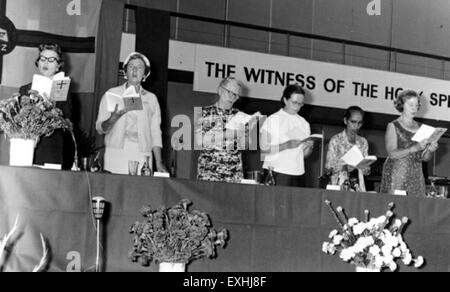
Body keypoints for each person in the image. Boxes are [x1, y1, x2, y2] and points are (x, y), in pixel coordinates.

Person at [96, 52, 167, 175]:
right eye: (131, 66)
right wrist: (113, 118)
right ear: (125, 71)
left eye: (139, 68)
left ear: (145, 74)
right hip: (116, 154)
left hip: (143, 155)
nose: (135, 70)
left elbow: (156, 133)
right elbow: (100, 129)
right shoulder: (111, 94)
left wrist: (159, 163)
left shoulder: (151, 99)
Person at [19, 43, 74, 170]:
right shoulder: (25, 89)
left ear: (58, 65)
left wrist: (48, 106)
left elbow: (66, 118)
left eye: (51, 60)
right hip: (28, 146)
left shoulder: (64, 88)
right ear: (38, 62)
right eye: (42, 59)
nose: (46, 63)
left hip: (51, 147)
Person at [380, 89, 438, 196]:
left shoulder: (421, 127)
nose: (414, 108)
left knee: (415, 208)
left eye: (416, 105)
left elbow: (425, 158)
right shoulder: (393, 125)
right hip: (396, 175)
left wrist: (430, 150)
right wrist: (413, 148)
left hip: (416, 175)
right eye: (410, 104)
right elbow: (392, 154)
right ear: (401, 105)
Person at [195, 77, 249, 183]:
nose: (233, 97)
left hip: (233, 174)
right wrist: (227, 134)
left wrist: (246, 134)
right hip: (208, 173)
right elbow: (200, 141)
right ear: (220, 90)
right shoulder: (203, 113)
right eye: (230, 92)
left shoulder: (240, 116)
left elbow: (244, 146)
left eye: (236, 95)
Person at [259, 84, 314, 187]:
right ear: (285, 100)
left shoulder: (304, 123)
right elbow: (264, 150)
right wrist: (286, 145)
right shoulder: (273, 119)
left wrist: (309, 148)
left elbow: (303, 155)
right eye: (294, 103)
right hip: (276, 172)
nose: (297, 107)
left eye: (300, 104)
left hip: (298, 173)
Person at [325, 106, 370, 190]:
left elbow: (366, 170)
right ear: (345, 120)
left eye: (360, 123)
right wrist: (344, 167)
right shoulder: (336, 140)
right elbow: (329, 167)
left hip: (357, 186)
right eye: (353, 122)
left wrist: (366, 169)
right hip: (338, 185)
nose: (356, 126)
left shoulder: (363, 142)